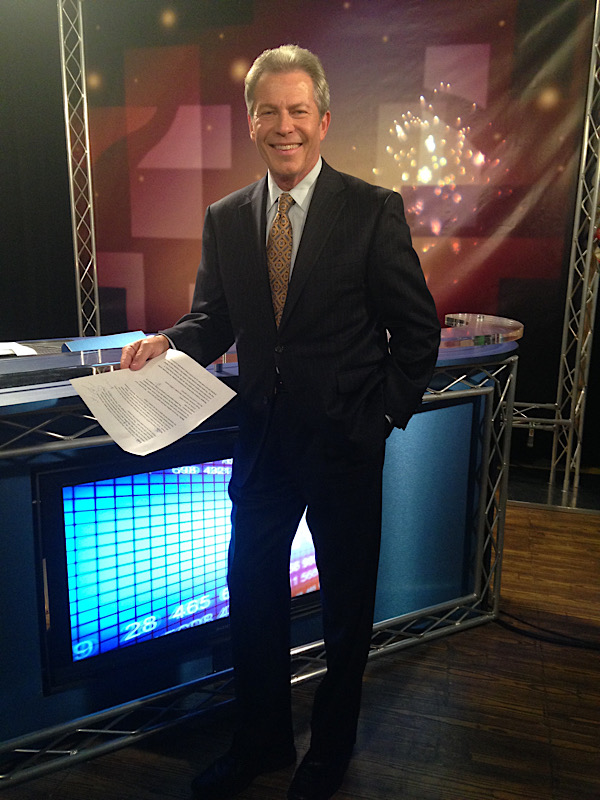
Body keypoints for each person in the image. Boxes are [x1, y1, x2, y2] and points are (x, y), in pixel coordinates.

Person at [121, 44, 441, 800]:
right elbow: (215, 318)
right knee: (254, 603)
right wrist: (171, 341)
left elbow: (417, 331)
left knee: (346, 614)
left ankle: (328, 753)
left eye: (299, 110)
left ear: (323, 120)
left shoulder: (372, 209)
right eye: (270, 111)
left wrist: (381, 417)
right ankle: (260, 743)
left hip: (343, 448)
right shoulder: (227, 217)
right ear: (252, 121)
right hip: (262, 446)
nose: (284, 125)